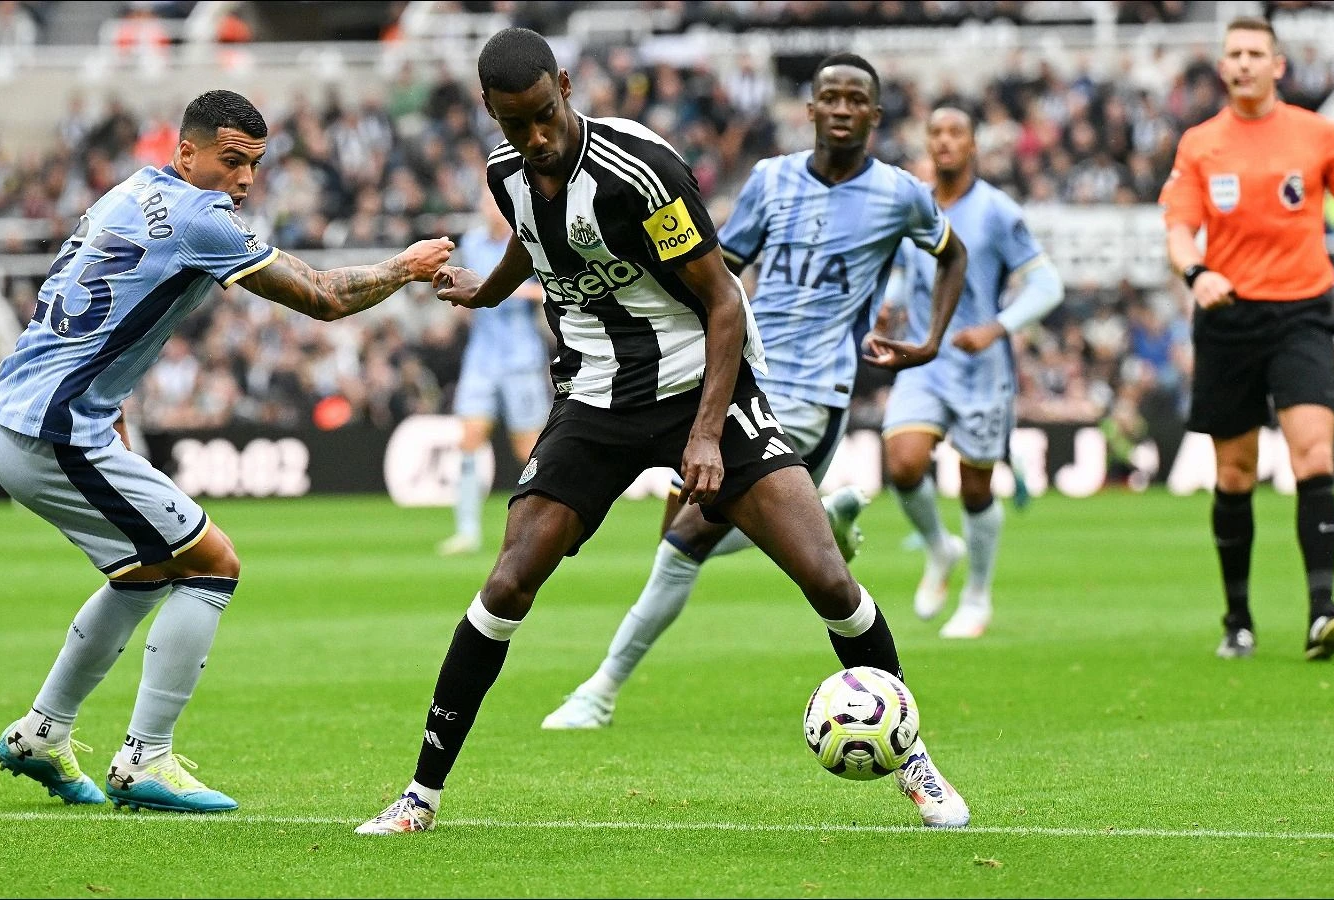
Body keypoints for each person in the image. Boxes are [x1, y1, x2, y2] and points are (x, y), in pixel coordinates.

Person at [355, 29, 970, 836]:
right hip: (595, 400)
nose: (535, 137)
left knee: (825, 575)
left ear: (566, 86)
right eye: (516, 125)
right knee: (507, 583)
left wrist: (708, 436)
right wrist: (488, 290)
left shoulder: (640, 172)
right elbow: (535, 238)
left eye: (546, 115)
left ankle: (914, 759)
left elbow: (722, 304)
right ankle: (420, 797)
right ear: (491, 114)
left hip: (696, 384)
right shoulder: (509, 172)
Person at [0, 90, 451, 812]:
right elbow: (323, 296)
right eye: (231, 161)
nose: (243, 180)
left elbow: (107, 318)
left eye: (255, 166)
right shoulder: (201, 222)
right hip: (53, 430)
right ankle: (145, 758)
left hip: (23, 416)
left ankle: (43, 731)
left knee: (144, 573)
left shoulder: (132, 190)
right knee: (213, 564)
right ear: (187, 152)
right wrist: (405, 267)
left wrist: (114, 422)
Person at [539, 53, 969, 731]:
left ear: (875, 115)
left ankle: (600, 689)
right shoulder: (771, 181)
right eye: (830, 96)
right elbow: (719, 272)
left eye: (857, 99)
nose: (841, 108)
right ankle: (827, 524)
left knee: (686, 538)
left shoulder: (901, 194)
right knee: (687, 533)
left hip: (816, 394)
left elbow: (953, 254)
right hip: (747, 382)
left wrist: (932, 336)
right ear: (810, 109)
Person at [1160, 17, 1334, 660]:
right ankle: (1238, 620)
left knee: (1314, 458)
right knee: (1235, 472)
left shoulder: (1322, 136)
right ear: (1222, 68)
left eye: (1256, 53)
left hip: (1301, 315)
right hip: (1227, 321)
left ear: (1279, 66)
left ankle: (1321, 611)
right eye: (1234, 54)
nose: (1244, 63)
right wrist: (1197, 273)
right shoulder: (1200, 144)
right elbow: (1176, 231)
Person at [874, 108, 1064, 639]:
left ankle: (977, 596)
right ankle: (939, 547)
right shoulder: (916, 203)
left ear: (974, 144)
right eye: (935, 132)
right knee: (904, 462)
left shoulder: (998, 212)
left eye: (955, 132)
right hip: (922, 359)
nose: (944, 141)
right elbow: (905, 270)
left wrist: (996, 328)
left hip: (980, 366)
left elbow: (1048, 285)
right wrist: (890, 306)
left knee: (975, 486)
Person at [438, 188, 551, 556]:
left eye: (497, 206)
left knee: (528, 448)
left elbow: (549, 291)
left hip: (521, 359)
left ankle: (545, 522)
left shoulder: (530, 241)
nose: (492, 212)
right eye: (486, 205)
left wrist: (504, 290)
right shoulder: (471, 242)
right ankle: (467, 530)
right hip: (482, 358)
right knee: (469, 438)